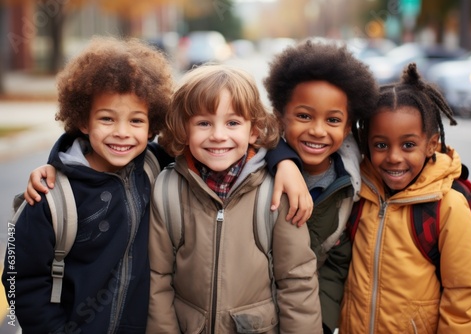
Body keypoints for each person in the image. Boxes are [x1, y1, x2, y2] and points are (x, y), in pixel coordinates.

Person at [2, 36, 175, 333]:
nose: (122, 133)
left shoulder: (154, 166)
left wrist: (283, 161)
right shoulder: (50, 196)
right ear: (83, 121)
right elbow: (18, 277)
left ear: (151, 126)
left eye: (136, 121)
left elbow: (215, 151)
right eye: (107, 119)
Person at [147, 63, 322, 333]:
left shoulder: (277, 190)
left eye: (232, 123)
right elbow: (158, 279)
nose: (218, 136)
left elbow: (296, 280)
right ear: (185, 128)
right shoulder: (168, 189)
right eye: (203, 123)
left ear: (254, 130)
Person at [340, 63, 471, 333]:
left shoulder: (448, 206)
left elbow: (464, 298)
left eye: (408, 145)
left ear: (431, 144)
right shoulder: (359, 191)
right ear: (366, 143)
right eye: (381, 145)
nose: (394, 157)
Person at [262, 39, 379, 333]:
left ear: (348, 126)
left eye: (333, 120)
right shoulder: (257, 163)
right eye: (304, 116)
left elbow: (337, 262)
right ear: (280, 116)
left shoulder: (350, 187)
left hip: (305, 315)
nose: (317, 130)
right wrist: (282, 160)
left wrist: (324, 323)